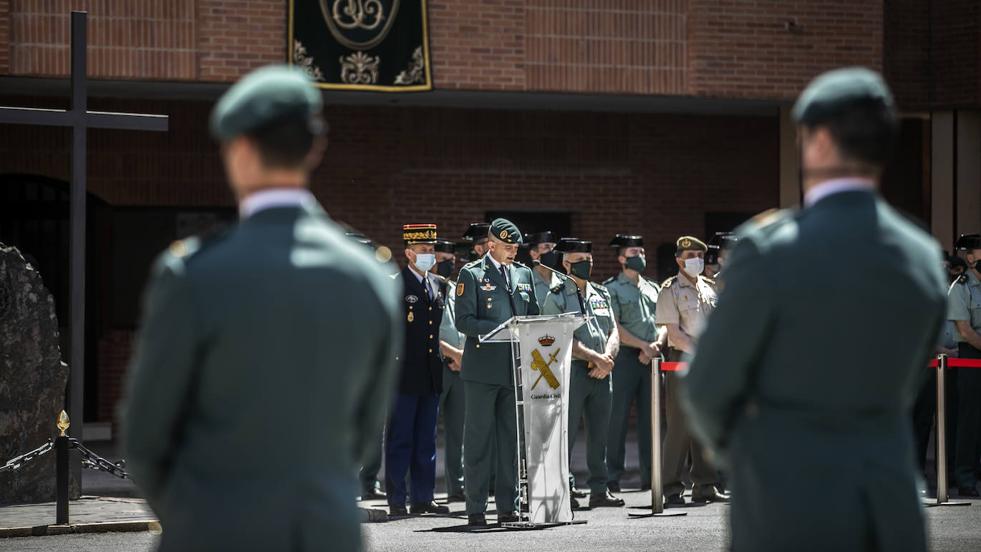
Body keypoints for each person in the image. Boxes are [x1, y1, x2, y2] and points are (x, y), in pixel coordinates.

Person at [122, 65, 401, 552]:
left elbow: (146, 434)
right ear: (315, 148)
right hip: (327, 532)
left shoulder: (193, 274)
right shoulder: (371, 277)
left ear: (240, 149)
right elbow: (363, 432)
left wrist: (197, 513)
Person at [683, 67, 947, 551]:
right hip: (890, 504)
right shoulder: (921, 255)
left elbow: (706, 386)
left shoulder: (770, 249)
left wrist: (753, 450)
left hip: (787, 504)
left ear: (820, 141)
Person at [454, 218, 540, 526]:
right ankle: (476, 507)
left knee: (511, 441)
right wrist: (501, 329)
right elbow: (463, 321)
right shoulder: (473, 273)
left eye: (516, 247)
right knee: (478, 440)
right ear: (491, 245)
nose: (513, 252)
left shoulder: (524, 274)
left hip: (515, 369)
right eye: (507, 247)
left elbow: (533, 316)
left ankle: (509, 507)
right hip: (482, 370)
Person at [542, 238, 624, 508]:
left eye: (588, 261)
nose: (585, 265)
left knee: (600, 434)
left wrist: (607, 358)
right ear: (566, 264)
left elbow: (613, 329)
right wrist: (594, 357)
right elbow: (558, 336)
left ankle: (600, 489)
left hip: (603, 371)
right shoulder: (555, 296)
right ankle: (565, 489)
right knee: (565, 433)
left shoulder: (601, 292)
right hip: (571, 371)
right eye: (579, 261)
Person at [654, 236, 727, 506]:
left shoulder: (709, 288)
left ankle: (705, 484)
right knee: (680, 427)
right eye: (689, 255)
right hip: (683, 360)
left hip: (709, 362)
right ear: (678, 260)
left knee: (705, 423)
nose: (694, 259)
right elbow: (673, 332)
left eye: (698, 254)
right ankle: (671, 487)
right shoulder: (669, 290)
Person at [385, 225, 450, 516]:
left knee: (426, 438)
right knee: (401, 437)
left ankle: (423, 497)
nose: (430, 255)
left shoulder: (439, 284)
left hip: (430, 373)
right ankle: (397, 498)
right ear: (409, 253)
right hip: (403, 374)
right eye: (424, 251)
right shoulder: (395, 285)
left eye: (432, 250)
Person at [603, 234, 666, 493]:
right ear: (621, 259)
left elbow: (663, 322)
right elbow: (614, 326)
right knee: (616, 418)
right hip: (627, 357)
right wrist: (642, 346)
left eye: (641, 250)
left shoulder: (653, 287)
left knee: (651, 419)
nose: (639, 256)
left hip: (652, 357)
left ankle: (651, 476)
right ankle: (612, 476)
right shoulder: (611, 288)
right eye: (633, 252)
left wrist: (655, 346)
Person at [435, 238, 467, 502]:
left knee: (460, 433)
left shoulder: (457, 289)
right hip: (435, 367)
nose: (448, 264)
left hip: (460, 368)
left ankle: (457, 486)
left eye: (451, 261)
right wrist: (453, 353)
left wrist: (463, 356)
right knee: (426, 431)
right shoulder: (424, 288)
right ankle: (418, 487)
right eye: (442, 259)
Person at [950, 233, 981, 497]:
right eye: (968, 252)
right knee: (969, 419)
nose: (970, 257)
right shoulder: (961, 287)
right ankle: (965, 477)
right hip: (972, 356)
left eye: (975, 251)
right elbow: (965, 330)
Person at [524, 230, 561, 309]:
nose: (552, 251)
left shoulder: (563, 281)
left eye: (554, 248)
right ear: (534, 254)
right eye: (547, 247)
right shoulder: (526, 282)